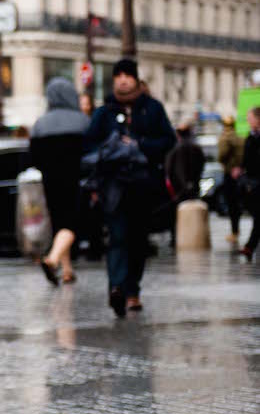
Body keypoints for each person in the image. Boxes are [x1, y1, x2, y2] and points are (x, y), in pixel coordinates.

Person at [85, 58, 175, 317]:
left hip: (143, 185)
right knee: (117, 237)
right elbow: (89, 145)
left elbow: (168, 140)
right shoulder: (104, 112)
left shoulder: (152, 108)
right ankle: (117, 288)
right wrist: (112, 147)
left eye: (128, 75)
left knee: (137, 240)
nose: (123, 80)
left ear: (136, 79)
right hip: (114, 185)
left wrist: (139, 145)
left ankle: (132, 289)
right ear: (114, 80)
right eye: (119, 76)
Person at [30, 77, 90, 286]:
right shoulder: (82, 121)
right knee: (72, 225)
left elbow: (32, 157)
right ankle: (53, 260)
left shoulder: (40, 124)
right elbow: (91, 153)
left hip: (50, 181)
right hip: (75, 180)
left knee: (59, 223)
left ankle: (67, 270)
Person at [217, 114, 245, 245]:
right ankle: (236, 230)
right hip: (240, 173)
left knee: (231, 203)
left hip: (229, 173)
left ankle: (235, 231)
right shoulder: (240, 138)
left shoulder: (226, 138)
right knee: (239, 202)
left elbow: (222, 155)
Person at [165, 121, 206, 204]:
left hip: (179, 189)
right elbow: (202, 165)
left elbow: (168, 168)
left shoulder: (175, 149)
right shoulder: (197, 148)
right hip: (194, 187)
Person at [239, 107, 260, 261]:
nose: (248, 120)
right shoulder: (250, 137)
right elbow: (246, 159)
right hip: (253, 182)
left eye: (250, 117)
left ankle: (250, 246)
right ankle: (250, 246)